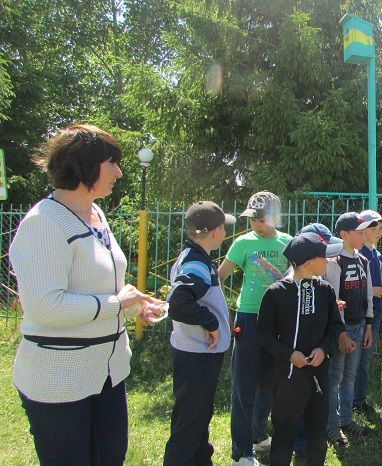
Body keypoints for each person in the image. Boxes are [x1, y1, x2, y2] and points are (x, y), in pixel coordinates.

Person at [9, 124, 161, 465]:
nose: (120, 173)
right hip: (59, 380)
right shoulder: (43, 224)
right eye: (113, 162)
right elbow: (45, 307)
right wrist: (117, 304)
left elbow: (101, 287)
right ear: (85, 166)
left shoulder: (97, 215)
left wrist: (134, 305)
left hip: (108, 373)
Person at [257, 232, 348, 466]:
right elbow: (264, 335)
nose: (328, 261)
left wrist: (324, 349)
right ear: (308, 262)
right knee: (284, 432)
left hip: (318, 377)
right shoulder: (277, 293)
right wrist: (289, 355)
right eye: (324, 257)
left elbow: (335, 326)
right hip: (287, 378)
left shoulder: (325, 290)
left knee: (317, 431)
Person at [219, 191, 292, 466]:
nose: (256, 225)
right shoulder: (242, 243)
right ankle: (241, 453)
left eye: (260, 220)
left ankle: (259, 435)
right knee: (244, 385)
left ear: (274, 218)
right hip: (248, 318)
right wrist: (222, 312)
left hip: (277, 322)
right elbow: (220, 276)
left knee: (269, 383)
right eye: (252, 219)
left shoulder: (288, 243)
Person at [163, 201, 236, 466]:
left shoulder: (193, 256)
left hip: (195, 350)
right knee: (190, 420)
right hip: (198, 354)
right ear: (216, 232)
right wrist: (212, 323)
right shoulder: (196, 263)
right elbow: (179, 303)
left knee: (197, 415)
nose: (226, 234)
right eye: (224, 229)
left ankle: (200, 459)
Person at [325, 212, 376, 448]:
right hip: (341, 331)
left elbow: (367, 296)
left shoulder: (363, 260)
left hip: (358, 327)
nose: (363, 235)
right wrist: (340, 333)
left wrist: (368, 325)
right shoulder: (335, 263)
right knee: (335, 377)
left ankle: (346, 420)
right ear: (343, 235)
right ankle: (331, 426)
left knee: (350, 376)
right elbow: (333, 300)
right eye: (358, 232)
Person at [353, 209, 382, 414]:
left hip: (377, 310)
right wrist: (371, 290)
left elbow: (381, 278)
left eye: (380, 228)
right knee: (357, 359)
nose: (378, 231)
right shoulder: (359, 254)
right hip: (362, 313)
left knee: (365, 358)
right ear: (362, 230)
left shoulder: (376, 253)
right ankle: (353, 400)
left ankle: (359, 399)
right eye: (373, 227)